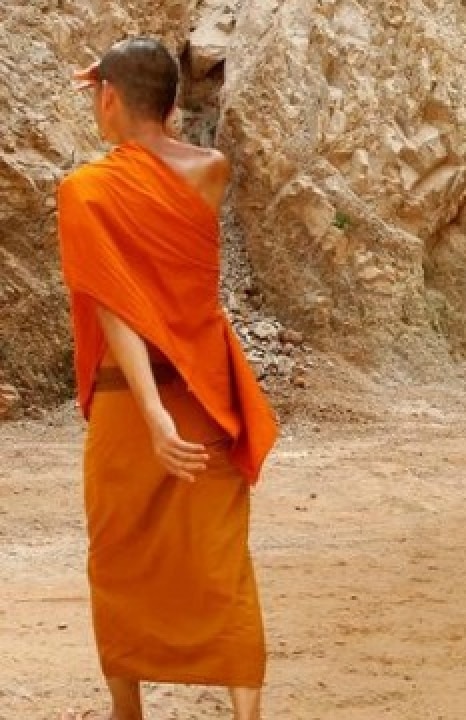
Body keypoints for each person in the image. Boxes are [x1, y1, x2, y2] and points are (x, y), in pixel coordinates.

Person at [56, 37, 278, 720]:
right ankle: (247, 714)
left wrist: (153, 419)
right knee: (219, 556)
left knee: (119, 556)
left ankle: (129, 711)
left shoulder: (85, 190)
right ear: (175, 103)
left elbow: (114, 306)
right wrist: (138, 87)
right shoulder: (210, 170)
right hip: (208, 392)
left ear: (109, 97)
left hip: (133, 401)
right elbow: (159, 142)